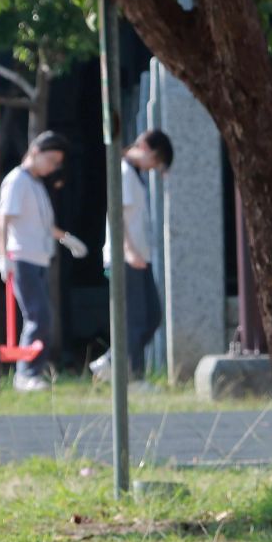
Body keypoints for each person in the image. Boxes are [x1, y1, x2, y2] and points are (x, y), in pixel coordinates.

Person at [0, 131, 85, 392]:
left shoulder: (35, 183)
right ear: (35, 151)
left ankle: (31, 372)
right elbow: (4, 219)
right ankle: (25, 374)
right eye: (52, 160)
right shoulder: (17, 180)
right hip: (22, 257)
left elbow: (44, 225)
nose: (53, 167)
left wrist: (67, 239)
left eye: (58, 163)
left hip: (38, 258)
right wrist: (3, 256)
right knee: (39, 317)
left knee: (42, 317)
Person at [89, 129, 174, 384]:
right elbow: (118, 217)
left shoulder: (134, 174)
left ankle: (111, 362)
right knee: (136, 319)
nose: (153, 168)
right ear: (146, 148)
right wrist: (129, 251)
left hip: (138, 256)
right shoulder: (124, 173)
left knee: (152, 316)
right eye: (156, 161)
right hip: (126, 257)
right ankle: (133, 378)